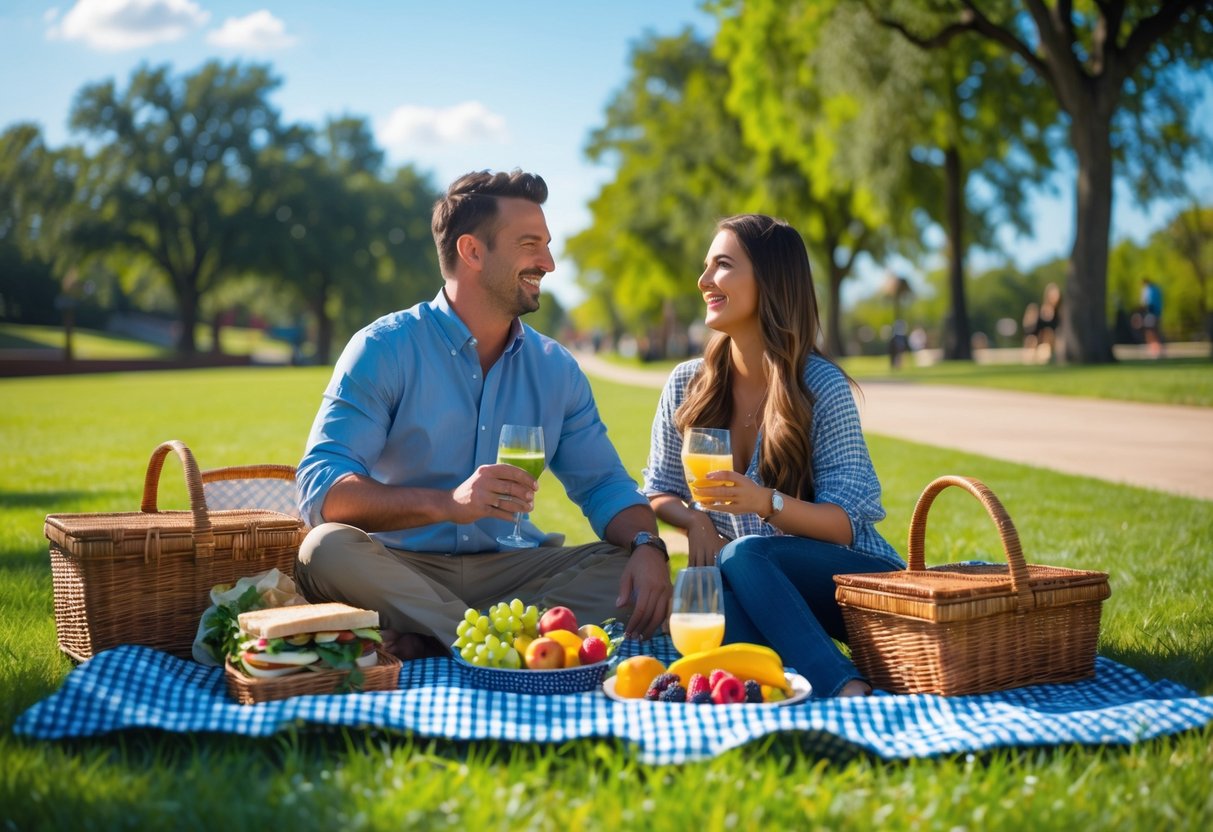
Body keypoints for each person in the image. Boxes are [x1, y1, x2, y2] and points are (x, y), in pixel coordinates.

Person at [294, 169, 672, 660]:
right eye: (531, 244)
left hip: (516, 572)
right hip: (404, 568)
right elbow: (321, 488)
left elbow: (605, 486)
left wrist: (648, 545)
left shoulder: (556, 368)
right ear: (472, 251)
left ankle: (438, 636)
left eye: (547, 245)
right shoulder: (383, 348)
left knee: (625, 566)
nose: (549, 263)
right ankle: (506, 640)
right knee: (323, 550)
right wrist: (448, 503)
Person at [643, 214, 904, 698]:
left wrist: (765, 503)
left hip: (856, 584)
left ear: (769, 280)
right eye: (706, 267)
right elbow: (657, 489)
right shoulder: (686, 384)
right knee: (711, 593)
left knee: (741, 555)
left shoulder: (820, 387)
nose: (704, 282)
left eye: (722, 266)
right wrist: (696, 524)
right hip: (757, 583)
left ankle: (845, 689)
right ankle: (790, 685)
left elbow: (846, 525)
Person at [1140, 277, 1164, 358]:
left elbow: (1147, 303)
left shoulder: (1149, 290)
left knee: (1151, 331)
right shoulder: (1156, 289)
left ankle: (1154, 350)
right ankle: (1157, 350)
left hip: (1151, 313)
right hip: (1156, 313)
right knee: (1155, 331)